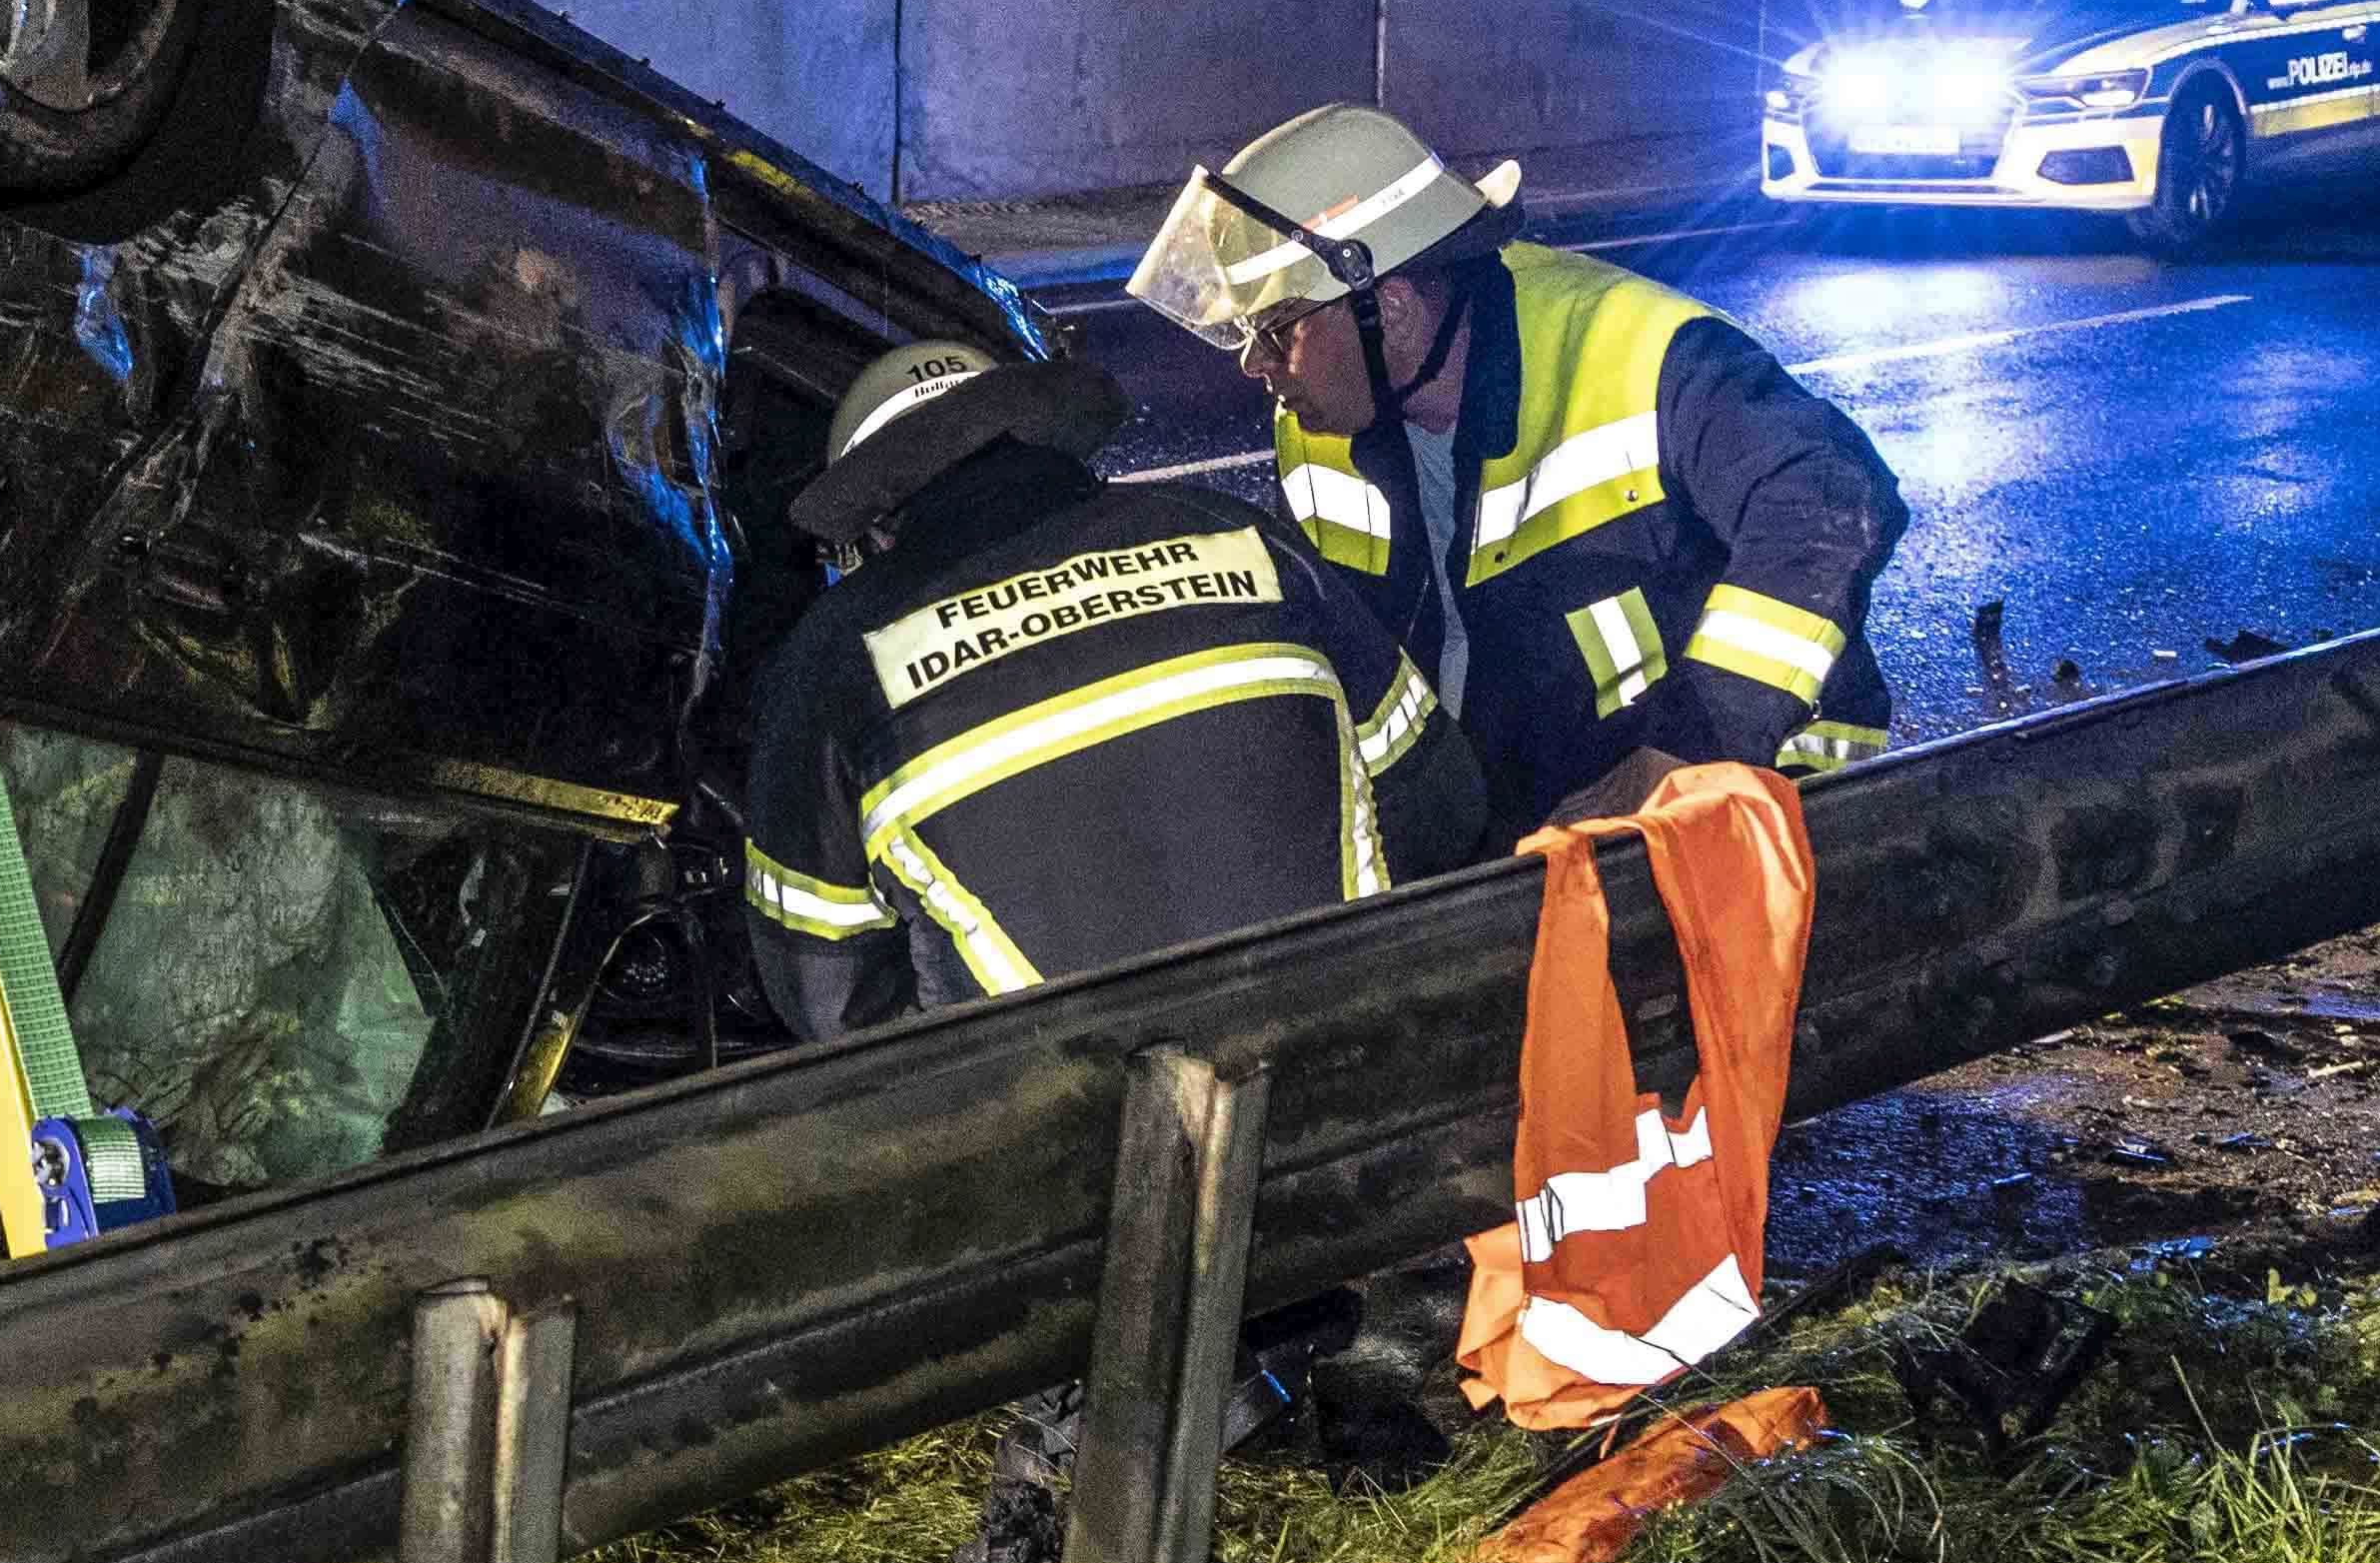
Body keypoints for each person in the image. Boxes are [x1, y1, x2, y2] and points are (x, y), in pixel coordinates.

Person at [1125, 102, 1905, 840]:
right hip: (1529, 819)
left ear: (1389, 308)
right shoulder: (1320, 426)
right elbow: (1341, 652)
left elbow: (1831, 500)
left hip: (1756, 806)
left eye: (1275, 330)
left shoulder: (1633, 351)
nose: (1255, 364)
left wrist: (1690, 749)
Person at [740, 336, 1492, 1033]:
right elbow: (1444, 807)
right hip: (1354, 1049)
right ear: (1034, 435)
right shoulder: (1241, 535)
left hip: (1072, 1114)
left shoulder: (831, 660)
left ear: (876, 527)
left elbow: (829, 1000)